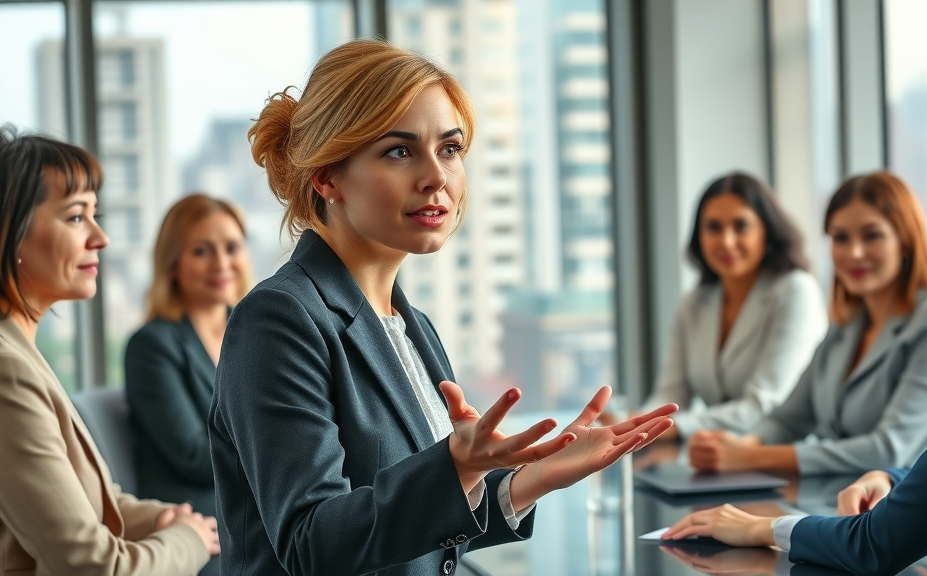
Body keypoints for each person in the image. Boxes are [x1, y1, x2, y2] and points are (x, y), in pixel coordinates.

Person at [208, 39, 678, 576]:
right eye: (399, 150)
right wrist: (455, 465)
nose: (436, 177)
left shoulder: (411, 327)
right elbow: (312, 543)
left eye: (450, 149)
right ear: (327, 176)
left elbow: (422, 534)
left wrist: (538, 473)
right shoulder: (279, 320)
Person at [662, 83, 927, 575]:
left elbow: (881, 538)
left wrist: (760, 527)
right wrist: (893, 480)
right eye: (839, 238)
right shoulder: (843, 330)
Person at [0, 127, 219, 575]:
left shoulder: (21, 353)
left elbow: (85, 501)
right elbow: (93, 567)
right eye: (77, 217)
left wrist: (163, 519)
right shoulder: (8, 372)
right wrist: (187, 540)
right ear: (11, 231)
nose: (101, 238)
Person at [687, 171, 927, 475]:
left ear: (905, 241)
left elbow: (889, 449)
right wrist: (744, 445)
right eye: (840, 238)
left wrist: (751, 458)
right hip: (834, 502)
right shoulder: (844, 328)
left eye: (871, 235)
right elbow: (788, 418)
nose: (854, 253)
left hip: (901, 512)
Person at [633, 172, 827, 440]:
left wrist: (668, 428)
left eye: (741, 226)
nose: (726, 241)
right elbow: (670, 395)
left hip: (784, 458)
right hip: (718, 461)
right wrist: (630, 424)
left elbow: (766, 405)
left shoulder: (795, 290)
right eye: (713, 227)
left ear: (766, 232)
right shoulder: (694, 303)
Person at [124, 194, 251, 576]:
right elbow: (195, 455)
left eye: (231, 247)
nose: (221, 263)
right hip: (202, 523)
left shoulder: (255, 334)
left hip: (260, 511)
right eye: (201, 250)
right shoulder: (152, 345)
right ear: (173, 264)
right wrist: (287, 453)